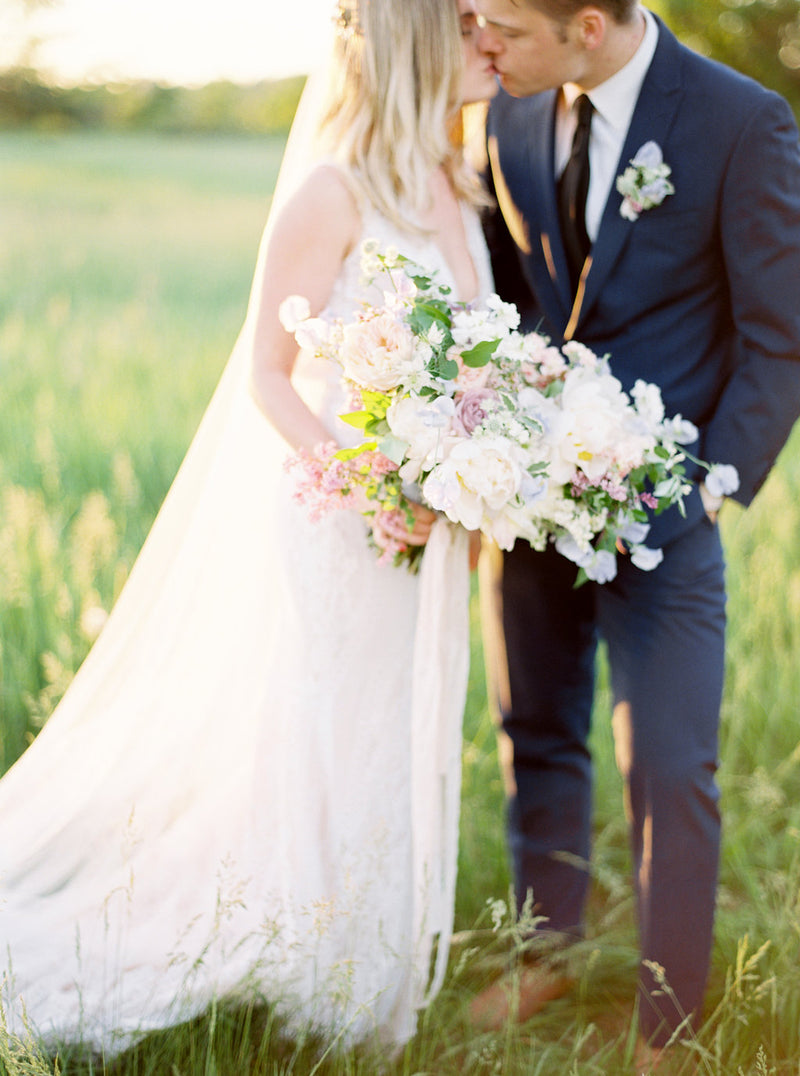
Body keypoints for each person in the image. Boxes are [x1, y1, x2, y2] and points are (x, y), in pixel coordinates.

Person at [0, 0, 497, 1056]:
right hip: (341, 519)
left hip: (429, 529)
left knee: (394, 736)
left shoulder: (457, 185)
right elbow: (270, 379)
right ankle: (301, 963)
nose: (489, 37)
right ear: (415, 46)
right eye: (465, 24)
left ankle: (361, 971)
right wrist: (367, 480)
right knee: (319, 737)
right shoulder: (331, 192)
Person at [469, 0, 800, 1061]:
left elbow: (778, 336)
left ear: (587, 26)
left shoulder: (739, 122)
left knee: (667, 764)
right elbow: (510, 296)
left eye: (500, 27)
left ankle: (667, 1022)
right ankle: (546, 954)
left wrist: (708, 486)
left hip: (666, 513)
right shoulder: (509, 113)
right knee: (536, 737)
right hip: (523, 506)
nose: (480, 46)